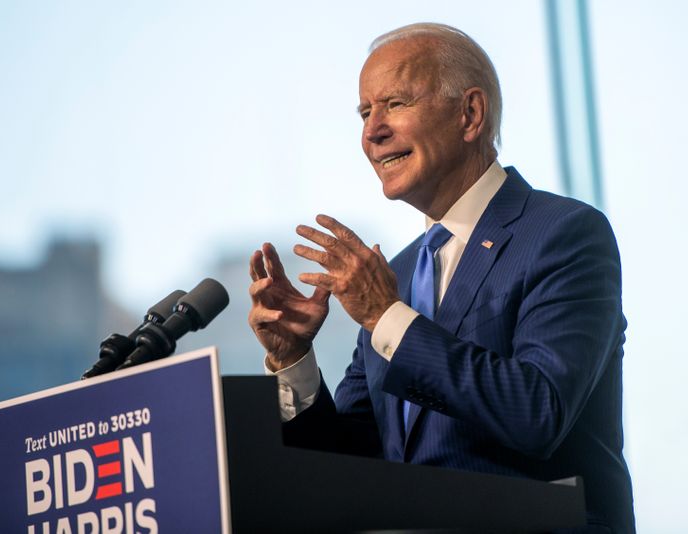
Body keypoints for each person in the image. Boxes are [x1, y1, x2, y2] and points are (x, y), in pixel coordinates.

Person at [247, 23, 634, 533]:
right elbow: (352, 463)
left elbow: (539, 411)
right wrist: (294, 360)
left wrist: (388, 317)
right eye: (365, 113)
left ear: (469, 114)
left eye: (395, 104)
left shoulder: (563, 233)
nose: (371, 132)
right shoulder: (397, 277)